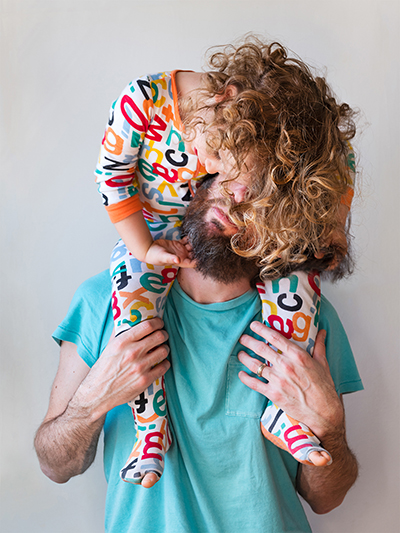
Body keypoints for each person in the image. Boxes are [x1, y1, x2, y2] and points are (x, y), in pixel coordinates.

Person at [34, 174, 362, 533]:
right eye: (227, 174)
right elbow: (55, 466)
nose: (236, 195)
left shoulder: (309, 319)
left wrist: (330, 427)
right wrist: (93, 399)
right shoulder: (102, 300)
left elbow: (326, 498)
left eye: (260, 190)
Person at [94, 36, 356, 484]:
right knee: (133, 305)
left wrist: (328, 424)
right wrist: (142, 249)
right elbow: (113, 177)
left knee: (299, 280)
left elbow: (340, 165)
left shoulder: (248, 145)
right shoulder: (146, 105)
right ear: (228, 100)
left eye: (243, 185)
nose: (213, 175)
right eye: (225, 171)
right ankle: (150, 430)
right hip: (154, 237)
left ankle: (282, 415)